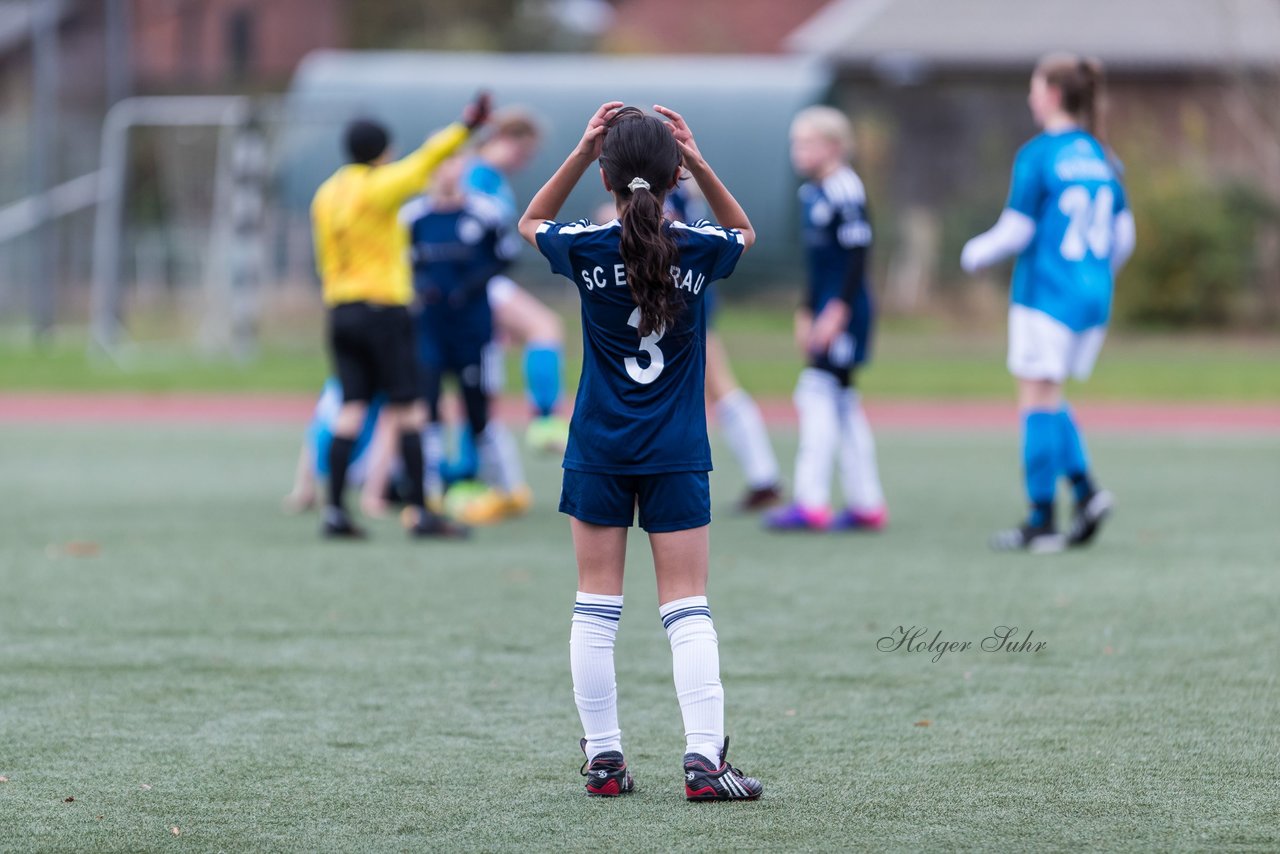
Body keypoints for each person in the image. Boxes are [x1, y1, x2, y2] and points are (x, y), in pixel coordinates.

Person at [517, 102, 764, 801]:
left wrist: (577, 150)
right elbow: (744, 229)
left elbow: (530, 221)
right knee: (686, 605)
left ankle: (604, 761)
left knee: (595, 606)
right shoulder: (698, 248)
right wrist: (704, 162)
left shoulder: (587, 247)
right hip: (676, 452)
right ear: (676, 172)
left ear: (603, 174)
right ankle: (703, 763)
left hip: (597, 446)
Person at [961, 53, 1135, 553]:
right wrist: (1095, 276)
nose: (1031, 96)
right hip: (1091, 298)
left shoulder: (1039, 154)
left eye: (1035, 87)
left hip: (1044, 294)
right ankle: (1085, 492)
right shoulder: (1105, 156)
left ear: (1054, 95)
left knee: (1035, 400)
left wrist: (974, 253)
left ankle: (1042, 519)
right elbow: (1125, 237)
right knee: (1050, 396)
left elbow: (1017, 229)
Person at [309, 93, 490, 538]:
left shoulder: (327, 193)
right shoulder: (378, 186)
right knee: (408, 408)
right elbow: (427, 160)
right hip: (383, 311)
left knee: (351, 407)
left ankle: (333, 509)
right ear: (382, 152)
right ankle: (420, 513)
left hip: (340, 309)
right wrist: (466, 125)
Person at [766, 105, 888, 533]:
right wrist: (806, 310)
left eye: (807, 143)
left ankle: (811, 503)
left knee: (816, 393)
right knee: (840, 400)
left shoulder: (844, 189)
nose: (797, 151)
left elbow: (856, 259)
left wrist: (837, 310)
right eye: (795, 143)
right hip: (825, 308)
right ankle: (866, 503)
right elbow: (816, 266)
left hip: (848, 312)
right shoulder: (811, 193)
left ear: (834, 147)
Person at [400, 155, 531, 524]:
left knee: (478, 411)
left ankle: (510, 490)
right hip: (429, 330)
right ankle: (425, 496)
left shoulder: (485, 213)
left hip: (474, 331)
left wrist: (469, 287)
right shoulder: (413, 217)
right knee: (427, 409)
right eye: (440, 163)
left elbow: (505, 258)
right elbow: (404, 262)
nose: (448, 171)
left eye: (453, 163)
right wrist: (421, 288)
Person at [666, 185, 783, 512]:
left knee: (716, 387)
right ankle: (764, 478)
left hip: (678, 299)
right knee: (714, 388)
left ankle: (764, 478)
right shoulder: (680, 188)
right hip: (685, 297)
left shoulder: (669, 190)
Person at [463, 108, 572, 454]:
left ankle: (470, 472)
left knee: (485, 384)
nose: (524, 161)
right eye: (522, 152)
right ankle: (544, 421)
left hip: (487, 282)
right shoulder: (475, 174)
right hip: (474, 284)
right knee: (545, 327)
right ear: (501, 140)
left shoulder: (492, 177)